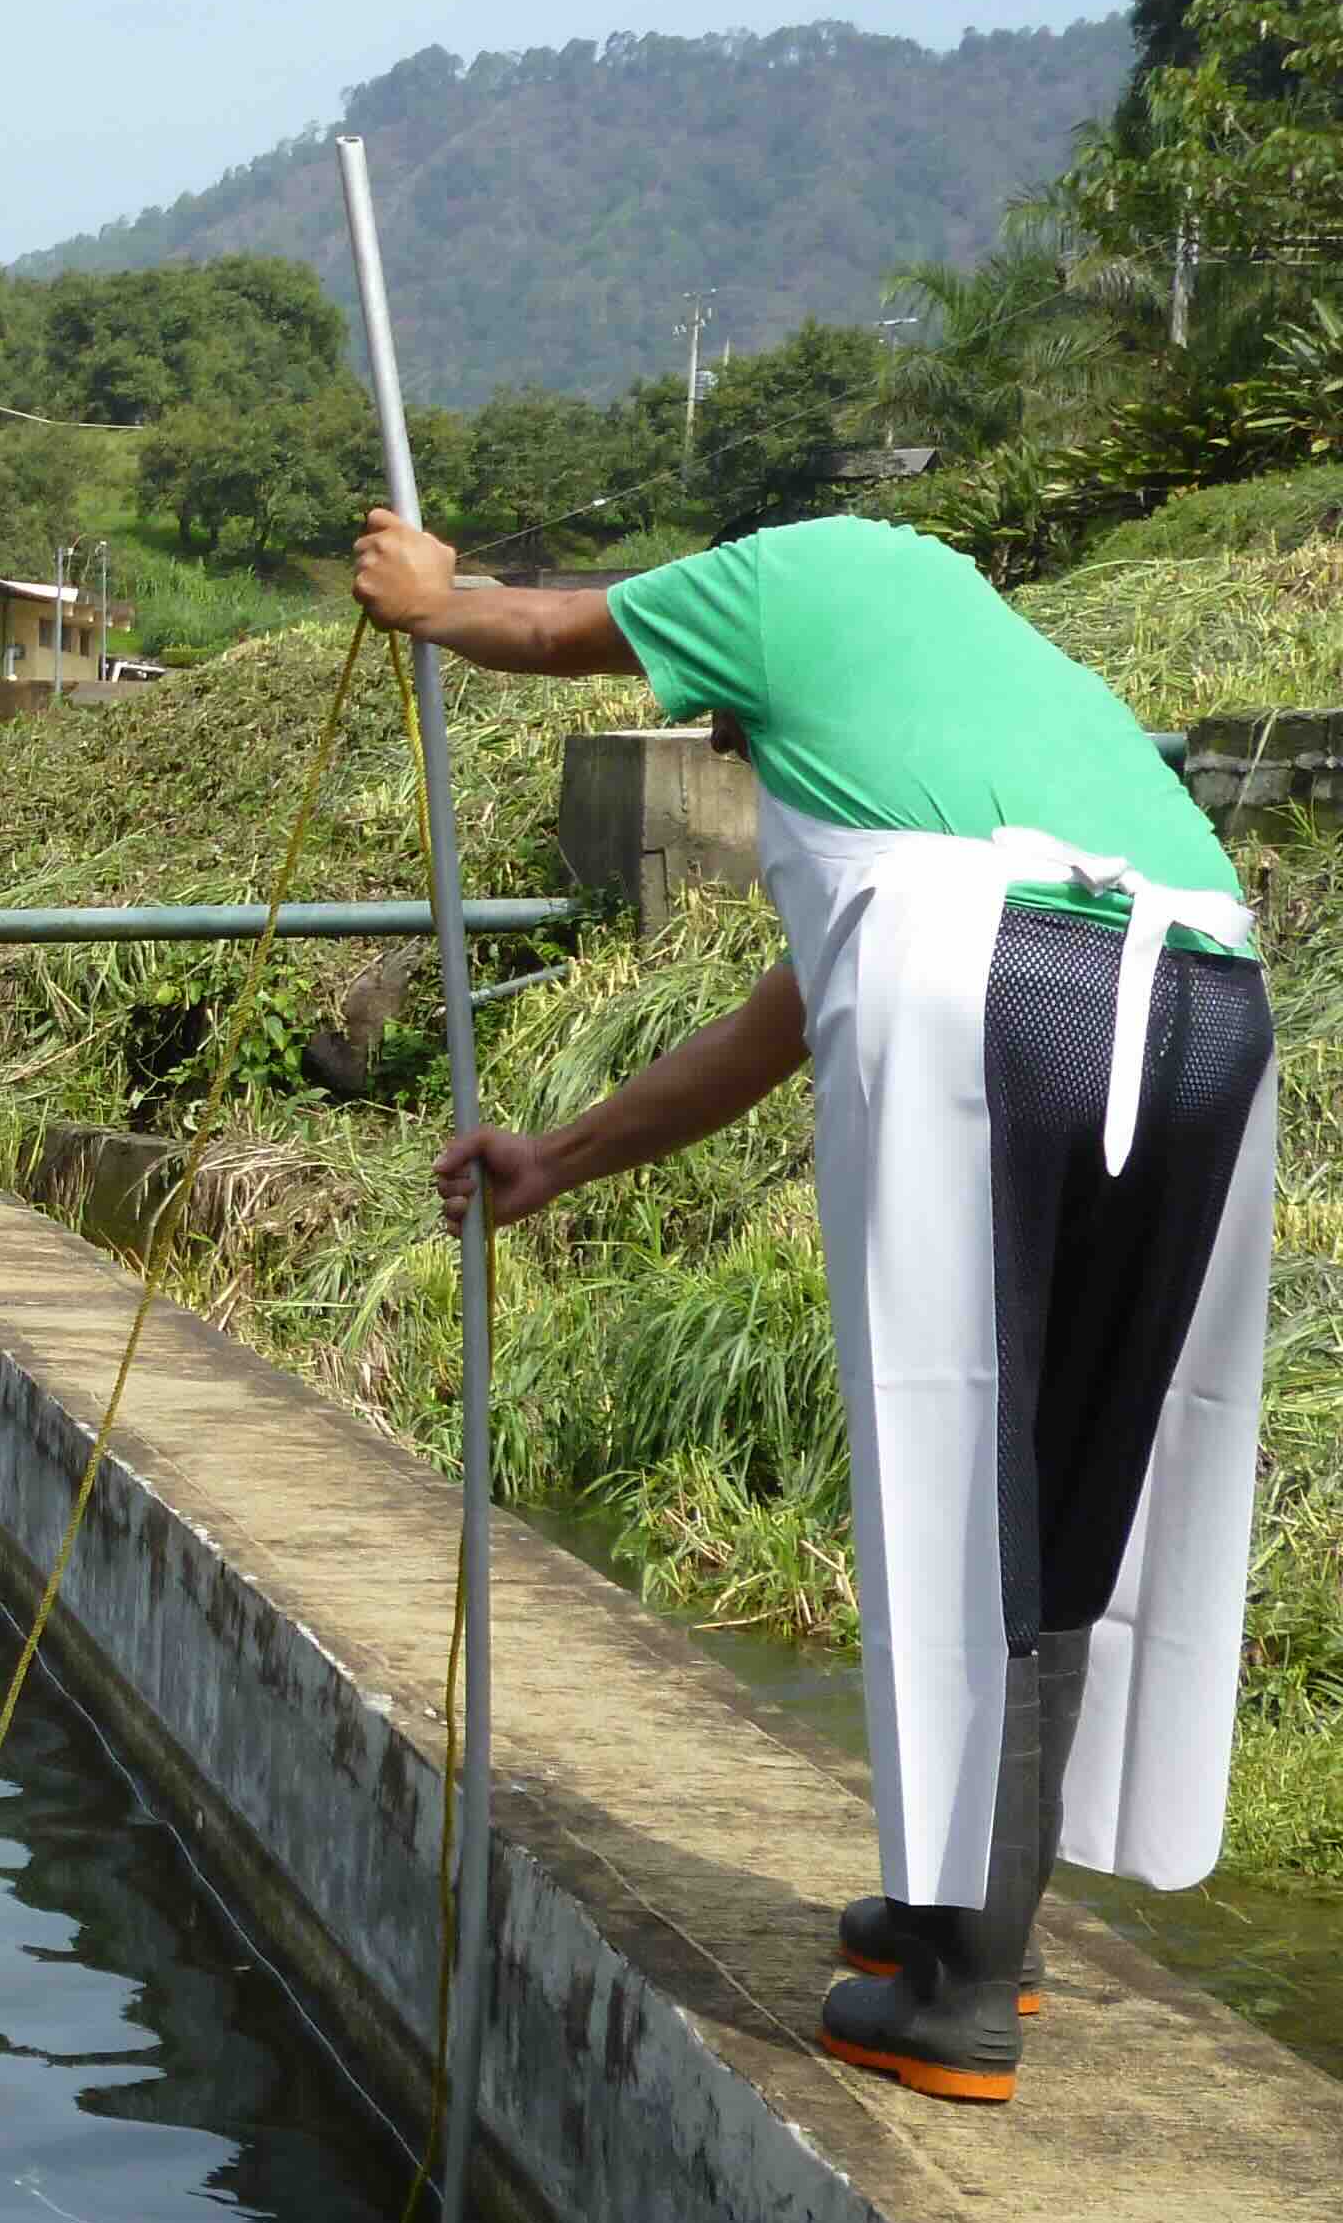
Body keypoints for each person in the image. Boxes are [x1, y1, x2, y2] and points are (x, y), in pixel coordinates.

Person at [351, 510, 1274, 2109]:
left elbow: (561, 629)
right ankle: (970, 1912)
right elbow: (782, 1022)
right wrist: (556, 1158)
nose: (711, 719)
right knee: (1081, 1465)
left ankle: (961, 1997)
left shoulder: (807, 569)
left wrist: (437, 605)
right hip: (1207, 1002)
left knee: (963, 1460)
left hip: (996, 995)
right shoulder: (991, 714)